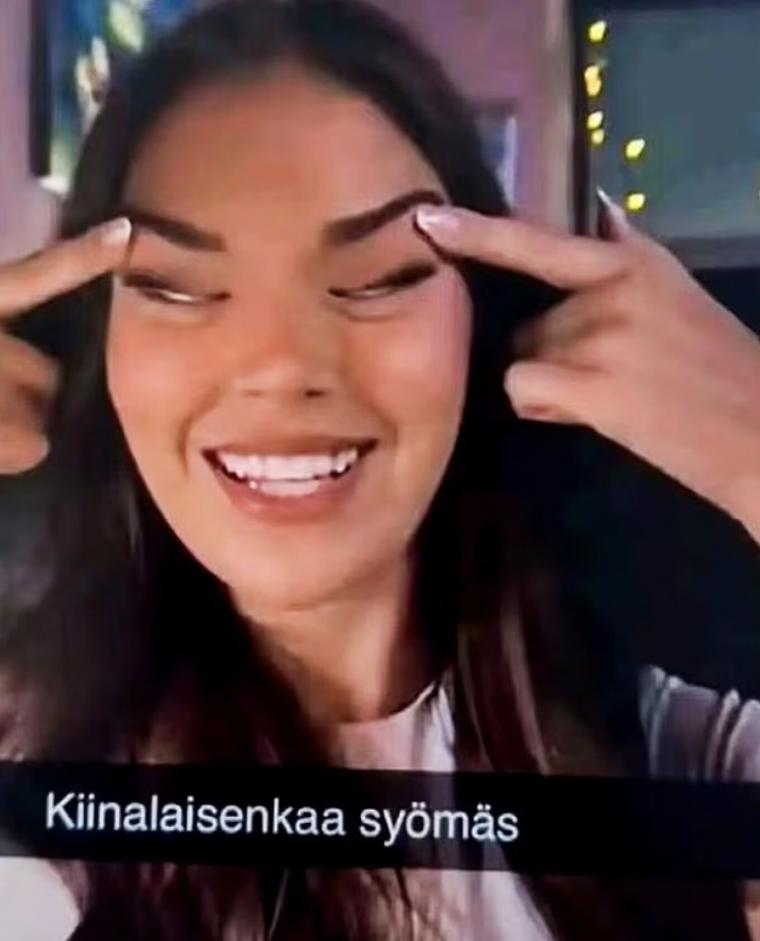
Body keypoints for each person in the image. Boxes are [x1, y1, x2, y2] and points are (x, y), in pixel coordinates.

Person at [1, 0, 759, 938]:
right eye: (176, 287)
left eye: (380, 278)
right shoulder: (34, 801)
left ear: (485, 320)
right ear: (93, 344)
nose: (281, 365)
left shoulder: (664, 758)